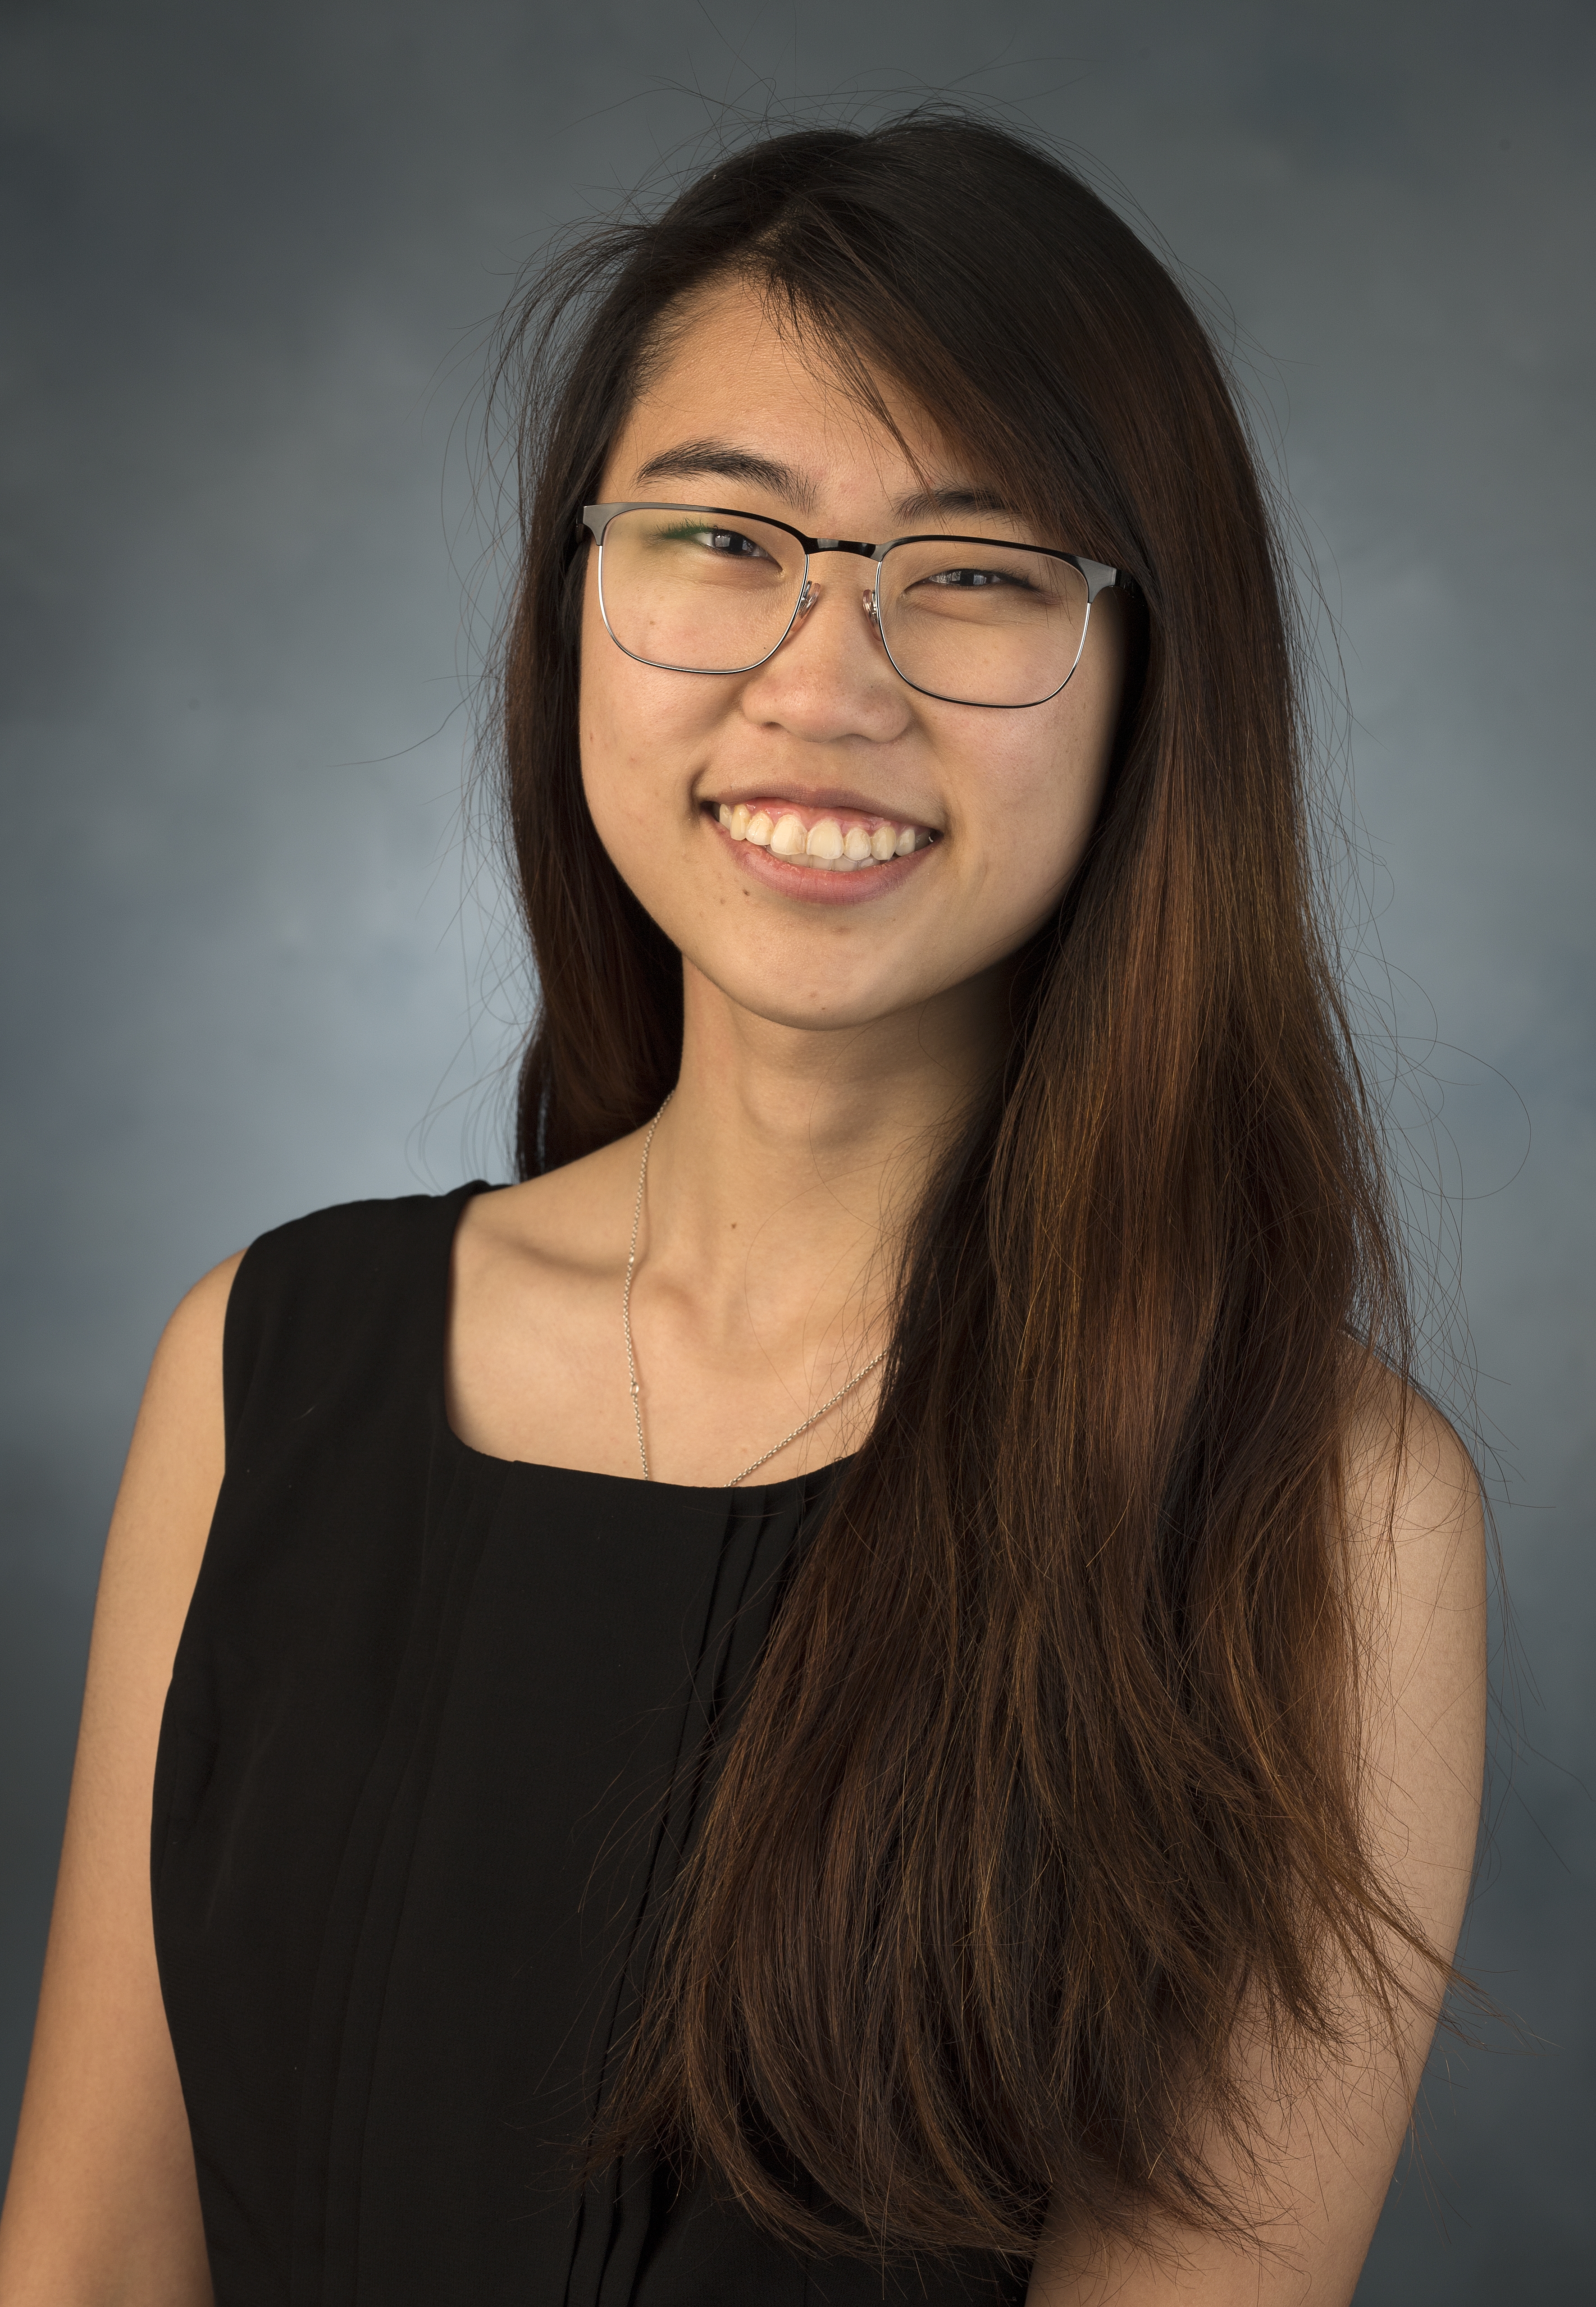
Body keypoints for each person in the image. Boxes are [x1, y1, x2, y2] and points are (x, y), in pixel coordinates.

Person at [0, 114, 1485, 2307]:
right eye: (722, 535)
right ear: (576, 600)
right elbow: (96, 2265)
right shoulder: (260, 1368)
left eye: (974, 570)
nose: (827, 680)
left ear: (1154, 682)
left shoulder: (1322, 1511)